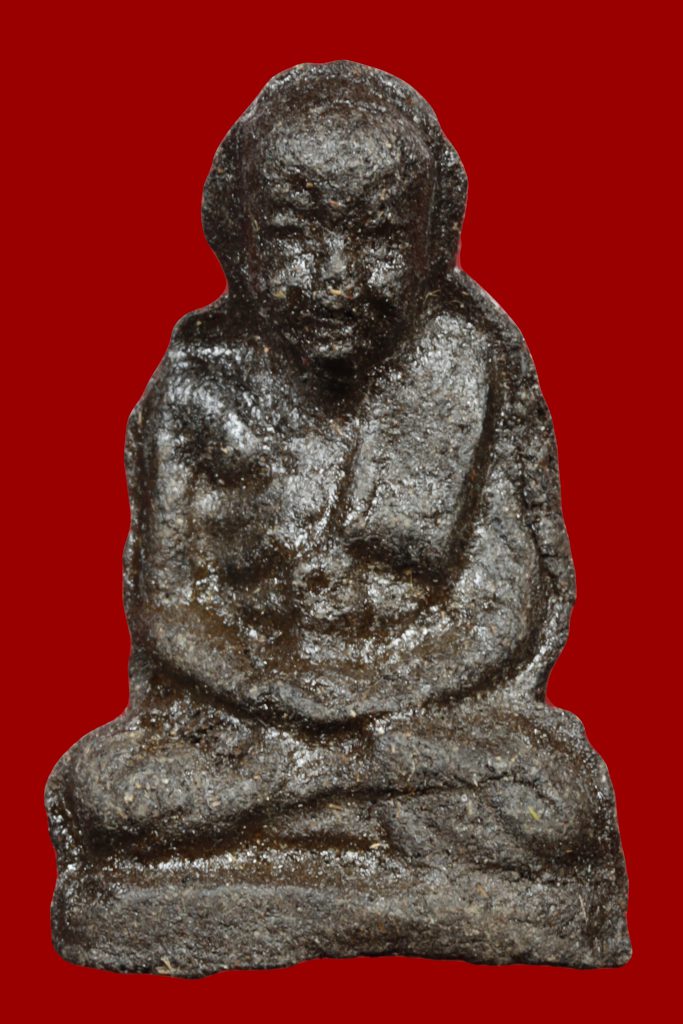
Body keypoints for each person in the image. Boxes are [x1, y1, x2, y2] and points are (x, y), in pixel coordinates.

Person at [47, 65, 628, 968]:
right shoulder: (198, 386)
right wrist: (277, 692)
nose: (335, 277)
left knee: (558, 803)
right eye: (293, 233)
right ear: (238, 234)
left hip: (421, 722)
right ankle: (387, 854)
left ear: (433, 239)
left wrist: (377, 698)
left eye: (378, 235)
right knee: (107, 793)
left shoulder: (462, 368)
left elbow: (507, 604)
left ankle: (298, 833)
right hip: (250, 723)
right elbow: (169, 610)